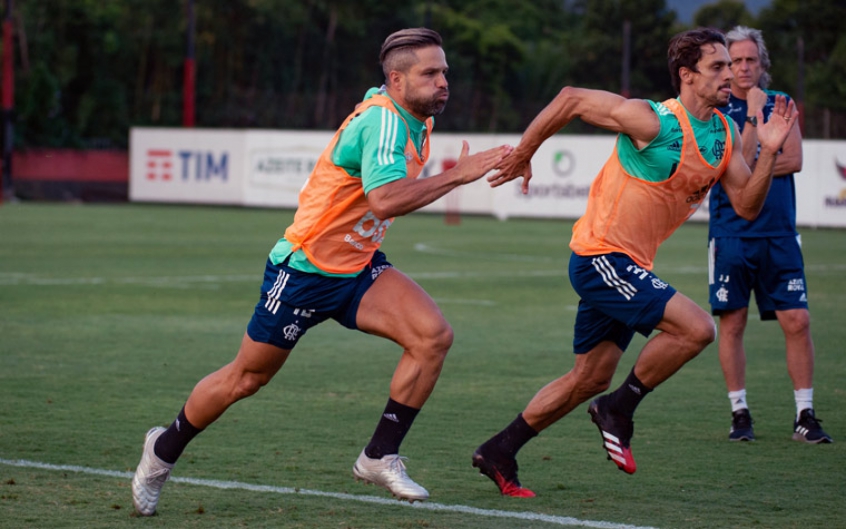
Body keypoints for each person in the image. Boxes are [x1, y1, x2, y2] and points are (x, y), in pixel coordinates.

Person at [131, 27, 513, 515]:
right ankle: (160, 453)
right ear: (397, 80)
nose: (443, 82)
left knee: (432, 336)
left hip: (356, 268)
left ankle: (379, 455)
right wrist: (458, 175)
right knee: (245, 379)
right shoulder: (385, 122)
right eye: (431, 73)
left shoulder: (410, 114)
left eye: (445, 72)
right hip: (305, 271)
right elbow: (384, 198)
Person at [472, 28, 798, 498]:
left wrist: (768, 150)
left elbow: (746, 204)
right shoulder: (652, 121)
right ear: (687, 76)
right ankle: (619, 410)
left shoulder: (725, 132)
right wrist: (524, 152)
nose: (732, 74)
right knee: (697, 329)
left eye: (732, 65)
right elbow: (569, 99)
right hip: (601, 256)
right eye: (719, 67)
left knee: (590, 377)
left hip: (629, 264)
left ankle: (500, 450)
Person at [710, 26, 832, 443]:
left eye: (750, 60)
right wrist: (751, 122)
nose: (743, 68)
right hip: (731, 234)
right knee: (733, 322)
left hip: (780, 233)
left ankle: (805, 414)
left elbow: (793, 157)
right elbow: (737, 161)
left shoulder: (782, 102)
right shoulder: (718, 109)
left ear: (762, 64)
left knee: (797, 320)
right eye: (734, 61)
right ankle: (739, 412)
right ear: (725, 65)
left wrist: (748, 163)